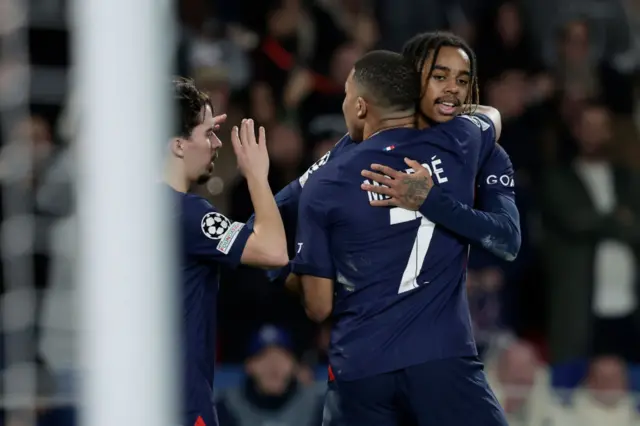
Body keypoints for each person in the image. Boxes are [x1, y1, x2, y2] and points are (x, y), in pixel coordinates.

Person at [291, 50, 507, 426]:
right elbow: (492, 116)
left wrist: (295, 270)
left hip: (362, 367)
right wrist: (435, 109)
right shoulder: (458, 140)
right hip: (441, 358)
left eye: (345, 95)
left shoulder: (325, 183)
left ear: (361, 107)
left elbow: (319, 307)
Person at [164, 77, 288, 426]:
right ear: (178, 145)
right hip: (182, 404)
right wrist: (257, 176)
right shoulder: (187, 213)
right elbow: (274, 250)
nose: (217, 143)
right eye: (207, 134)